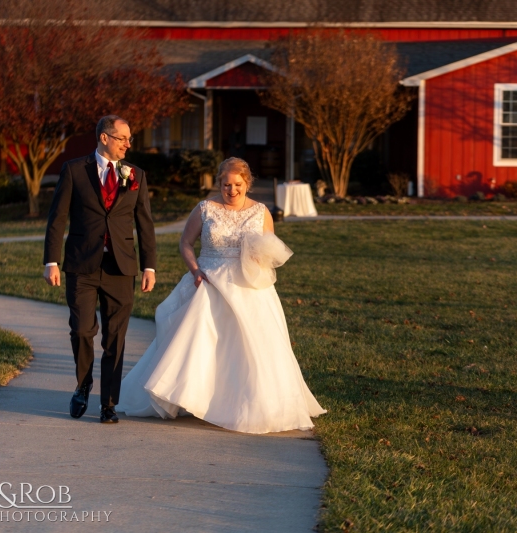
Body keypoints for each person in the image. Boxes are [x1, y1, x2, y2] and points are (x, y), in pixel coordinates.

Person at [117, 157, 325, 434]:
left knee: (254, 347)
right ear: (220, 183)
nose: (232, 190)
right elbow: (186, 243)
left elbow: (269, 250)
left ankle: (247, 404)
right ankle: (193, 397)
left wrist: (257, 260)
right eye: (226, 184)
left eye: (237, 184)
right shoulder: (205, 208)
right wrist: (194, 270)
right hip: (208, 281)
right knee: (199, 342)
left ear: (246, 183)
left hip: (249, 286)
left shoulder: (261, 212)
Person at [43, 115, 157, 424]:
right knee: (81, 329)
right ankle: (83, 384)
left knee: (115, 337)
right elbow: (57, 218)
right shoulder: (74, 170)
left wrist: (149, 266)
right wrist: (51, 260)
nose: (128, 144)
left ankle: (108, 404)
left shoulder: (136, 175)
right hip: (82, 264)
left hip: (122, 267)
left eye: (129, 138)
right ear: (104, 138)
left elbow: (144, 223)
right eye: (123, 138)